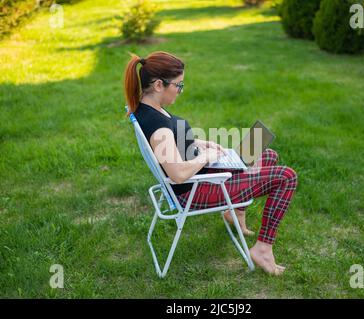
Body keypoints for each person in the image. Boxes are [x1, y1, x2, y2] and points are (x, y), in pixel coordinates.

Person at [124, 51, 298, 276]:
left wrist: (201, 144)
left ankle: (235, 210)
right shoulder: (159, 129)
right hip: (195, 191)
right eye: (178, 85)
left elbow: (174, 140)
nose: (180, 90)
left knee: (267, 154)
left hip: (202, 174)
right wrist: (205, 157)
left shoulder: (147, 107)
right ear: (158, 84)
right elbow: (177, 174)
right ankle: (263, 249)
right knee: (286, 176)